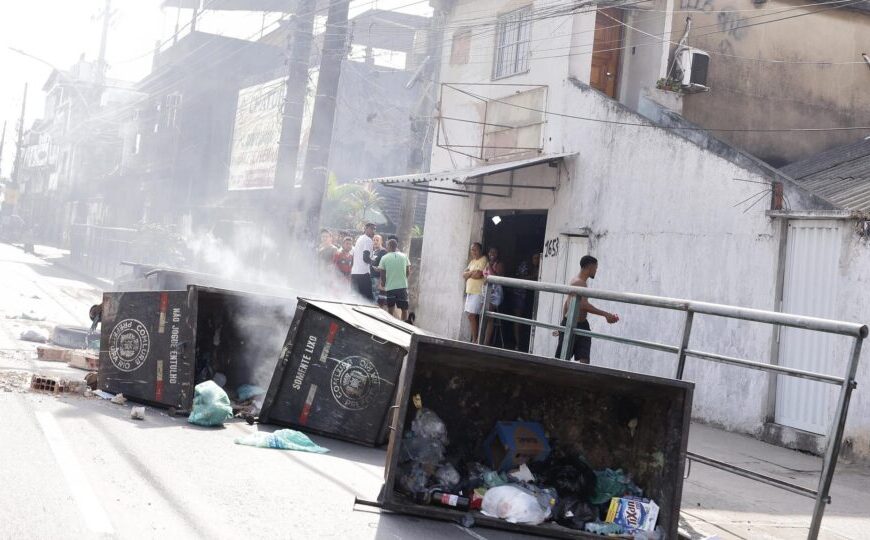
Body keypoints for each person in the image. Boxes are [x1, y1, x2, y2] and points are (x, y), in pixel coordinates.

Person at [554, 255, 619, 363]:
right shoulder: (579, 282)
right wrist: (606, 314)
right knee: (562, 358)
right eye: (595, 268)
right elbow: (583, 305)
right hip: (572, 323)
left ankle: (579, 379)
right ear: (590, 267)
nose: (596, 271)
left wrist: (562, 324)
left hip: (582, 324)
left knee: (584, 356)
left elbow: (566, 303)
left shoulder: (578, 281)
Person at [512, 252, 541, 350]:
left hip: (531, 296)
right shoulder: (525, 265)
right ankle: (518, 343)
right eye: (535, 258)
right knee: (518, 319)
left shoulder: (541, 267)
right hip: (520, 294)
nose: (536, 260)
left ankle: (527, 344)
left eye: (538, 258)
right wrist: (534, 277)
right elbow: (520, 278)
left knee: (530, 318)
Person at [377, 238, 411, 321]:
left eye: (387, 246)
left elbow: (382, 272)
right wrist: (404, 279)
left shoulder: (384, 258)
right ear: (396, 246)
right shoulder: (404, 256)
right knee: (404, 309)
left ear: (388, 246)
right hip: (402, 287)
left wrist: (383, 283)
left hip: (390, 287)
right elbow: (408, 271)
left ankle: (391, 325)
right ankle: (405, 326)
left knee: (390, 309)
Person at [462, 242, 489, 342]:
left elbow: (479, 275)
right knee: (470, 315)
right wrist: (471, 273)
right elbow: (464, 275)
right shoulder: (472, 261)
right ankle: (475, 339)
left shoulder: (484, 259)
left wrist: (470, 274)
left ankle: (475, 340)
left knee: (472, 315)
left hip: (478, 291)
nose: (473, 252)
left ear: (480, 250)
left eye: (475, 249)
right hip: (470, 291)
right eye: (472, 250)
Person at [483, 247, 505, 346]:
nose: (492, 254)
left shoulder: (499, 264)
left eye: (494, 252)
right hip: (486, 291)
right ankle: (480, 339)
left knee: (489, 315)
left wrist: (489, 266)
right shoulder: (487, 263)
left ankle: (485, 342)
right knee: (482, 313)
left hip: (496, 293)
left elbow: (495, 277)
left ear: (497, 254)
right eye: (491, 252)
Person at [351, 223, 376, 301]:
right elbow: (365, 258)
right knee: (368, 300)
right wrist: (373, 262)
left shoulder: (359, 238)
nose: (373, 231)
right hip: (363, 274)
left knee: (356, 299)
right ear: (365, 229)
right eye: (371, 228)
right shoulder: (368, 240)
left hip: (354, 273)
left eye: (374, 229)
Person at [370, 234, 388, 304]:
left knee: (375, 295)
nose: (375, 242)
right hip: (371, 276)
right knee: (372, 294)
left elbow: (384, 266)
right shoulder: (373, 251)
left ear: (381, 241)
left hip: (377, 277)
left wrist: (381, 280)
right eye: (374, 240)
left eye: (377, 240)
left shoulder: (383, 252)